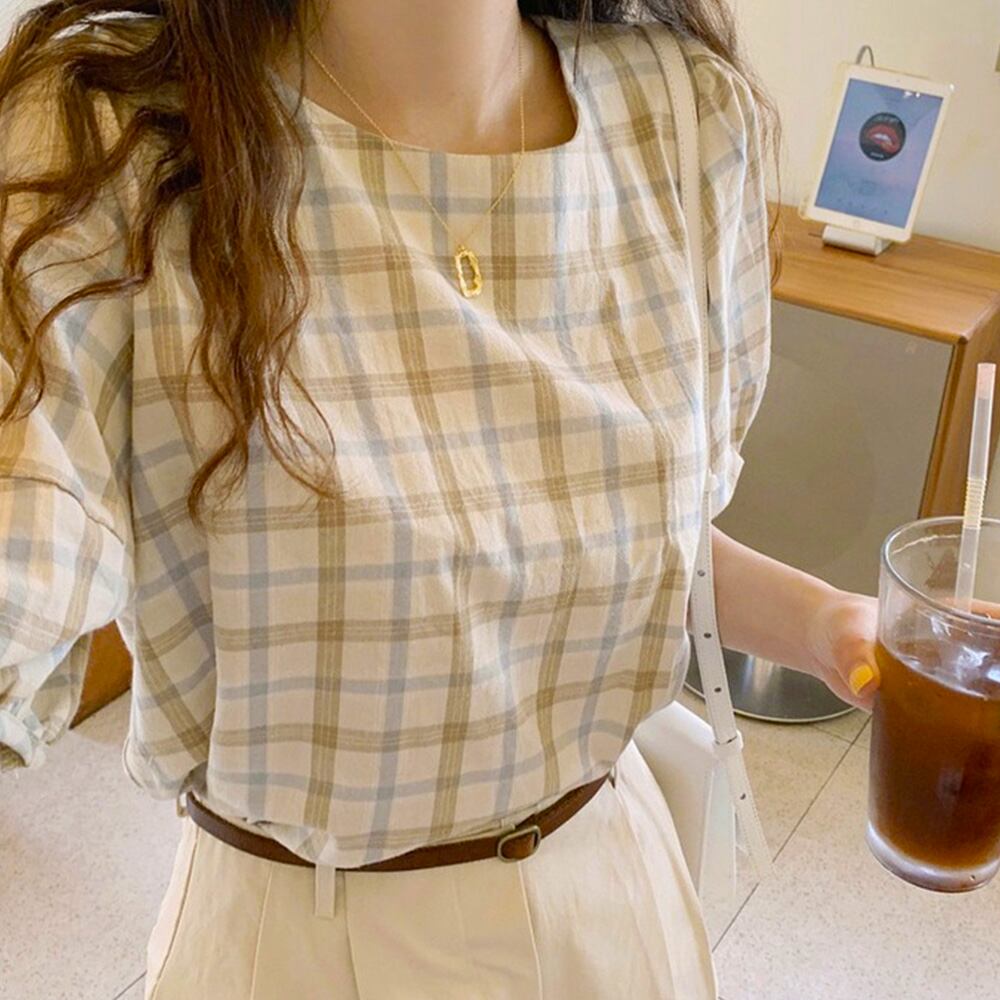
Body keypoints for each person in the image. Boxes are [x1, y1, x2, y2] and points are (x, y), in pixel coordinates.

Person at [0, 2, 885, 997]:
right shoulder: (114, 128)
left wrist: (823, 623)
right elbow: (28, 527)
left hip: (613, 896)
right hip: (300, 938)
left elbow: (629, 531)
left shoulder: (684, 112)